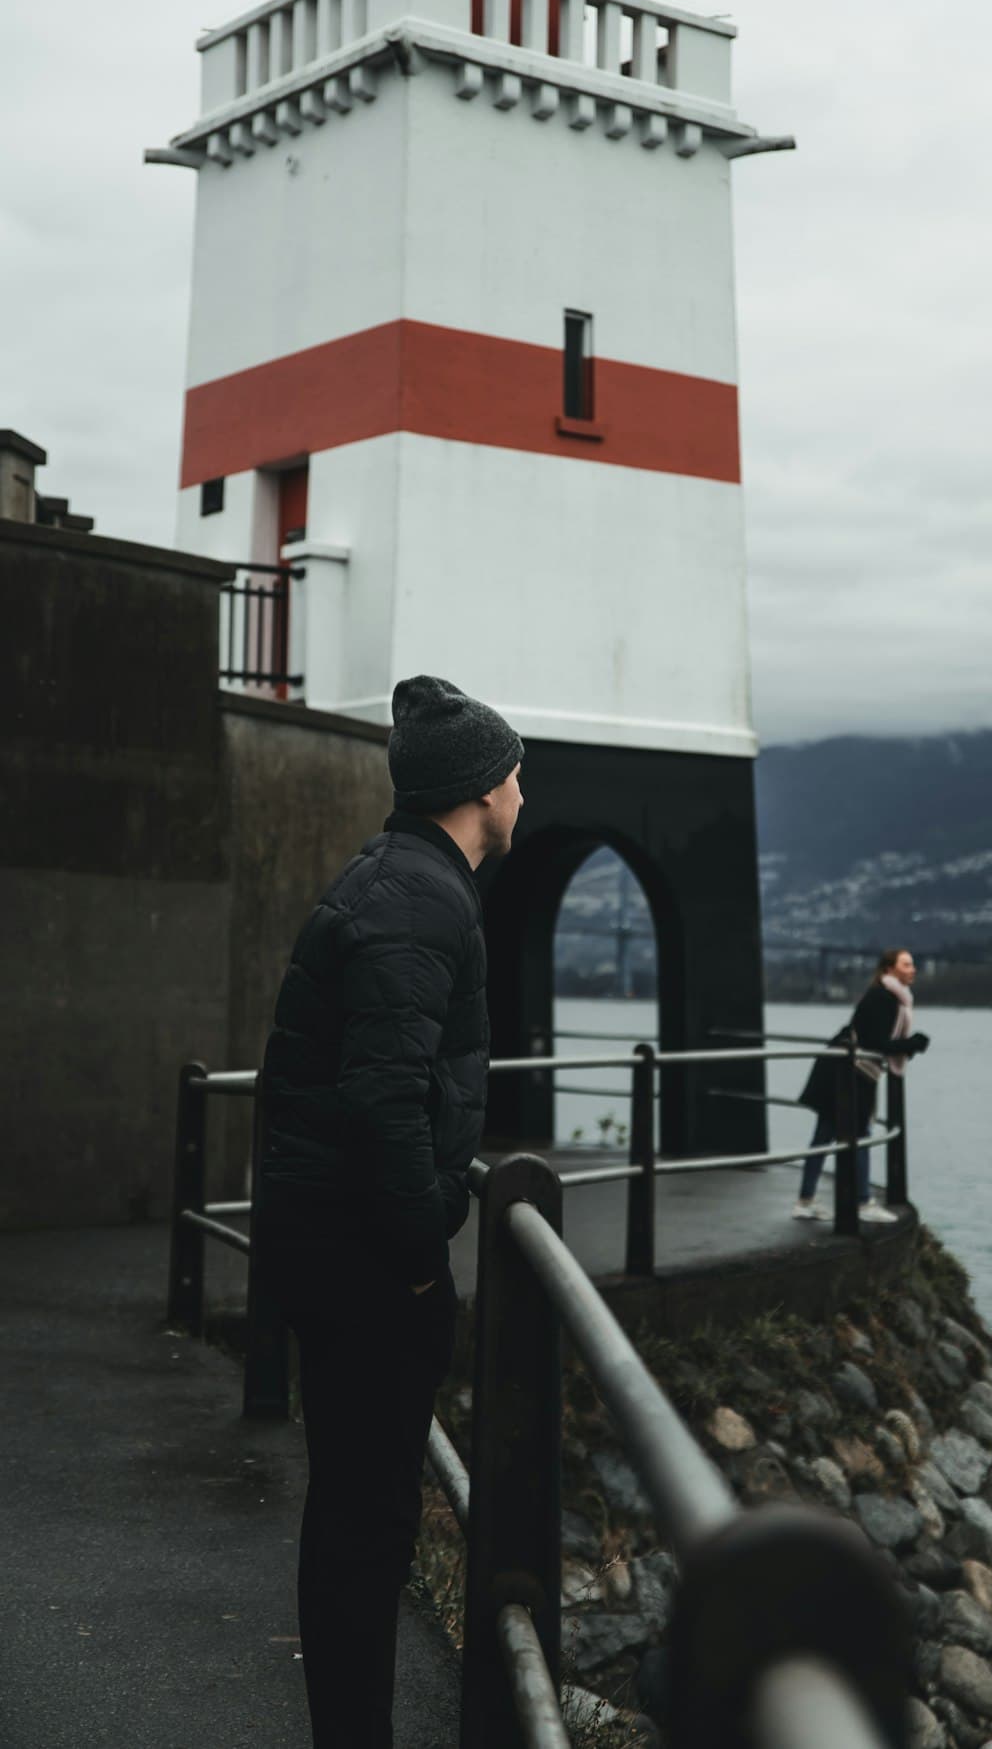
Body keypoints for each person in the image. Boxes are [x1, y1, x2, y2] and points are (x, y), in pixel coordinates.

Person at [256, 674, 524, 1749]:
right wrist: (421, 1250)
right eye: (515, 774)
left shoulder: (401, 880)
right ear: (480, 790)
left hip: (332, 1245)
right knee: (367, 1525)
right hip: (367, 1261)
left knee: (353, 1515)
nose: (523, 792)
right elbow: (385, 1096)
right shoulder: (420, 900)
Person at [792, 948, 930, 1224]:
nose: (912, 969)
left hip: (841, 1069)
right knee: (859, 1135)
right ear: (889, 969)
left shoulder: (887, 996)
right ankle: (863, 1202)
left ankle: (806, 1201)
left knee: (825, 1135)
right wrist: (913, 1043)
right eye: (906, 965)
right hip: (850, 1074)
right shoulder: (885, 998)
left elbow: (875, 1040)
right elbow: (876, 1042)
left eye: (912, 964)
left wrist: (908, 1044)